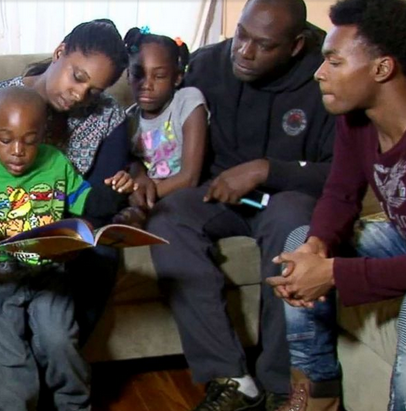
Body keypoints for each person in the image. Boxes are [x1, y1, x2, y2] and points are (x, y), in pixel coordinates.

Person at [0, 19, 130, 410]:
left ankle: (55, 390)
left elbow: (98, 201)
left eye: (94, 89)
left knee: (98, 261)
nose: (80, 94)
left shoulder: (106, 118)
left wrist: (90, 223)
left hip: (58, 236)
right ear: (59, 53)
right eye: (77, 77)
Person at [143, 0, 336, 409]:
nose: (244, 52)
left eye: (262, 45)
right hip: (219, 194)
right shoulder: (208, 65)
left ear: (296, 46)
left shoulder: (325, 77)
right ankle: (230, 377)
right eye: (241, 35)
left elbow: (339, 173)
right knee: (167, 218)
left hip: (287, 197)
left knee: (292, 223)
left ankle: (280, 384)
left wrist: (268, 170)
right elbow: (153, 119)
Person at [267, 0, 406, 410]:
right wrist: (317, 247)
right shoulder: (355, 117)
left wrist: (333, 272)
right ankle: (317, 395)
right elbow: (340, 194)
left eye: (334, 61)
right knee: (297, 246)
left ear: (382, 69)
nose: (319, 73)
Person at [123, 27, 208, 203]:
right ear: (128, 75)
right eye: (138, 74)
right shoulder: (128, 118)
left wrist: (143, 201)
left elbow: (190, 177)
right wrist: (139, 177)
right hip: (145, 196)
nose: (147, 84)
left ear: (177, 78)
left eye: (159, 76)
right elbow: (132, 162)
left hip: (181, 197)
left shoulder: (187, 101)